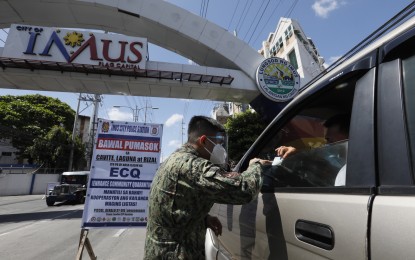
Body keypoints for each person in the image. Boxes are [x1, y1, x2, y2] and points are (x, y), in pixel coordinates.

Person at [144, 115, 271, 259]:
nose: (221, 149)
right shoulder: (191, 166)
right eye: (218, 143)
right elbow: (244, 190)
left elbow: (173, 206)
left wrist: (203, 219)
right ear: (203, 141)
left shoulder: (176, 158)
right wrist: (256, 165)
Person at [275, 114, 350, 186]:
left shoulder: (346, 172)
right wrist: (297, 154)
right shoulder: (344, 163)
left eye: (329, 139)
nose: (327, 144)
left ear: (350, 135)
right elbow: (324, 163)